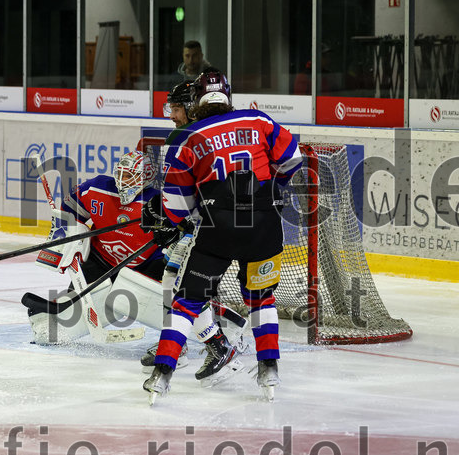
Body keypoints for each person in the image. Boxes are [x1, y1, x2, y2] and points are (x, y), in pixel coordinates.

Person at [142, 67, 302, 404]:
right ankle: (269, 368)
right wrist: (273, 190)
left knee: (186, 301)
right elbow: (293, 159)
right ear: (227, 95)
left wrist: (187, 218)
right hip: (263, 225)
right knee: (262, 298)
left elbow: (175, 207)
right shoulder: (259, 121)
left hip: (218, 228)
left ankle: (162, 374)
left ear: (198, 99)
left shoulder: (187, 139)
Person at [24, 151, 248, 352]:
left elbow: (186, 232)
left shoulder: (157, 202)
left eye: (130, 176)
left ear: (145, 179)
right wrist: (69, 232)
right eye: (121, 174)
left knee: (176, 296)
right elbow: (71, 208)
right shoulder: (97, 188)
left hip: (146, 263)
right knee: (77, 301)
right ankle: (55, 324)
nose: (123, 182)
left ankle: (219, 328)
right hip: (101, 259)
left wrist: (176, 242)